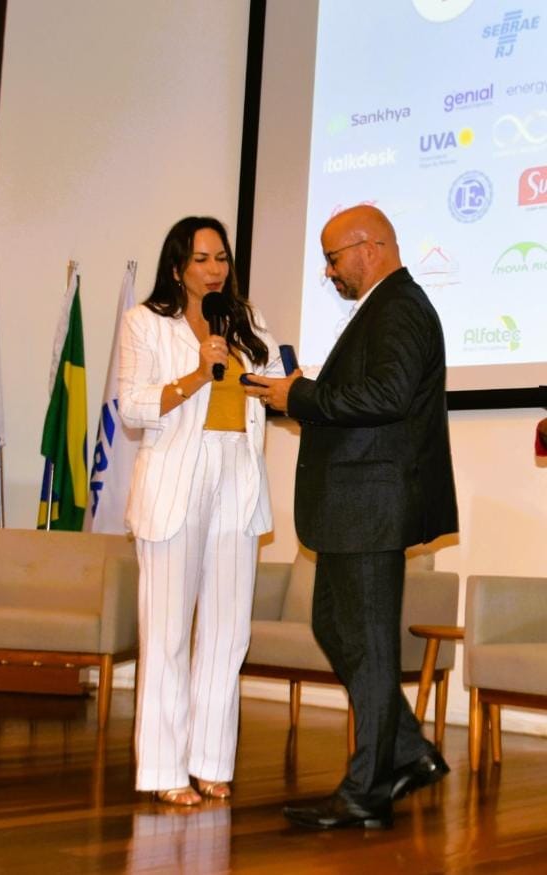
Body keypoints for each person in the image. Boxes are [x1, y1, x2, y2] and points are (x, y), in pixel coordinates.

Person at [244, 205, 458, 830]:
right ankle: (410, 751)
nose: (329, 272)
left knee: (366, 643)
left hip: (370, 508)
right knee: (336, 626)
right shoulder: (384, 307)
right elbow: (373, 395)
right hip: (352, 508)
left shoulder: (401, 307)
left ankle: (367, 791)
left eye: (334, 259)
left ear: (371, 247)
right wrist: (301, 394)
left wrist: (299, 395)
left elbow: (388, 396)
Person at [118, 216, 285, 806]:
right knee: (167, 633)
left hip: (237, 474)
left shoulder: (248, 322)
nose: (215, 270)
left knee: (228, 632)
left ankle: (211, 761)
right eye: (202, 259)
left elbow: (269, 390)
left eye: (222, 259)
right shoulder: (145, 323)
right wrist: (196, 375)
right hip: (174, 481)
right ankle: (164, 770)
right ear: (177, 267)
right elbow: (132, 407)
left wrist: (289, 384)